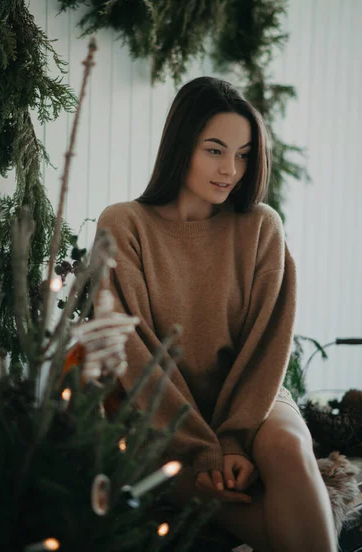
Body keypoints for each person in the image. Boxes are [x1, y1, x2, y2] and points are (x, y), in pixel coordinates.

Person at [95, 77, 338, 551]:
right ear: (181, 144)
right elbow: (137, 355)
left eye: (244, 154)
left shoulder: (261, 226)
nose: (231, 169)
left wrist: (235, 440)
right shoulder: (124, 225)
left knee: (288, 447)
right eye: (215, 150)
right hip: (160, 415)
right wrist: (203, 452)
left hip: (252, 397)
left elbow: (268, 344)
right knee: (222, 497)